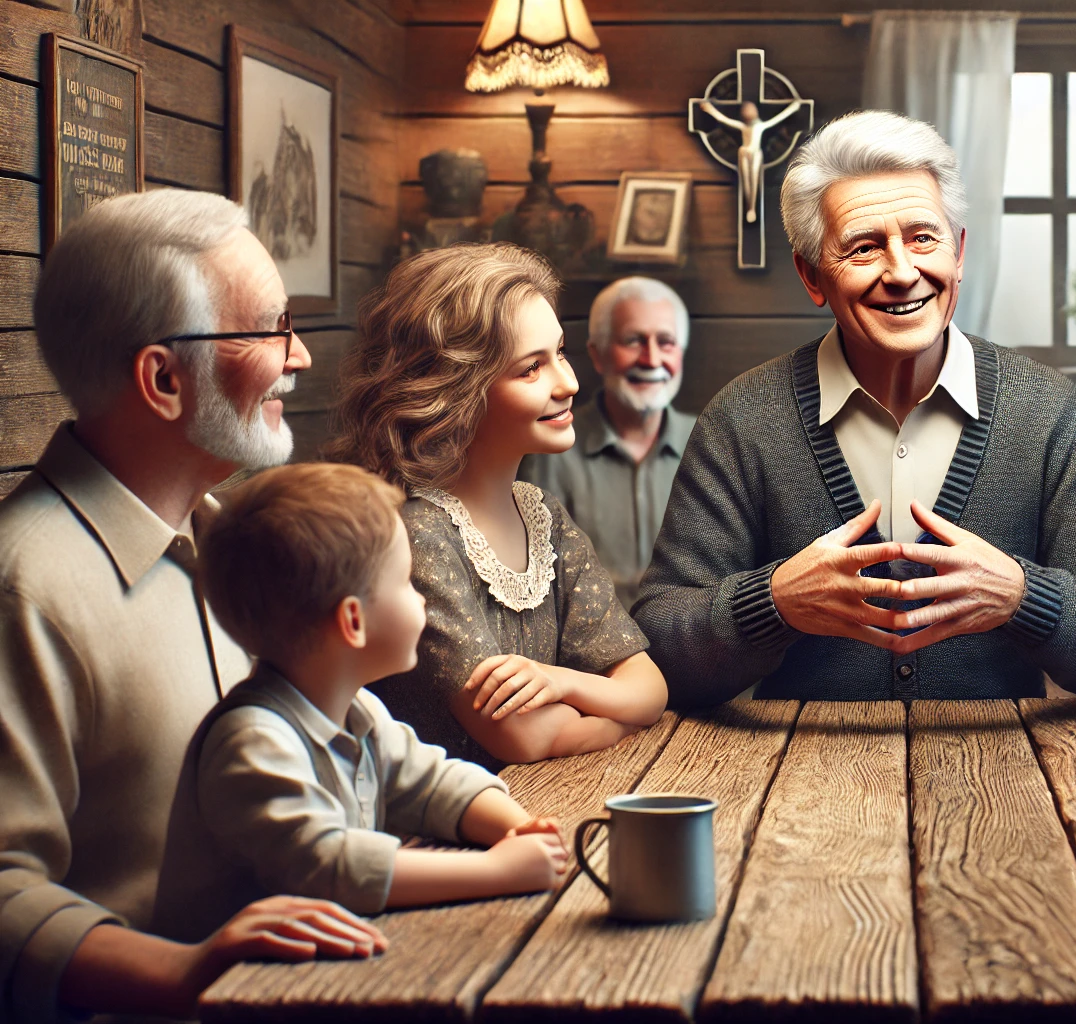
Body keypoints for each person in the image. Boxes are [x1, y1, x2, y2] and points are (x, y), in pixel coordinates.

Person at [635, 110, 1076, 703]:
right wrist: (774, 603)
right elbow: (658, 647)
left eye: (923, 237)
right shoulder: (742, 422)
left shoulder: (1048, 414)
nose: (902, 271)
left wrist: (1024, 597)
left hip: (1007, 779)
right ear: (813, 277)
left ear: (959, 252)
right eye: (864, 247)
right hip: (795, 779)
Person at [1, 190, 383, 1023]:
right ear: (164, 379)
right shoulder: (23, 588)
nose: (300, 359)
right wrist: (183, 974)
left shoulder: (237, 544)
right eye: (269, 329)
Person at [155, 463, 569, 943]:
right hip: (230, 997)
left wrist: (517, 827)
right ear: (353, 621)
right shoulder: (254, 742)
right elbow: (329, 867)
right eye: (407, 583)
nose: (421, 601)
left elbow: (431, 782)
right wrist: (497, 872)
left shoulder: (355, 710)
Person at [326, 244, 668, 769]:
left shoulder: (542, 516)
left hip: (547, 808)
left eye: (561, 352)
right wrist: (613, 713)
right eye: (531, 369)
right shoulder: (417, 534)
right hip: (441, 837)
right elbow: (523, 739)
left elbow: (648, 688)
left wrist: (558, 681)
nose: (569, 383)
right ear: (458, 392)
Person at [520, 277, 694, 609]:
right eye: (633, 341)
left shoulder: (712, 444)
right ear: (597, 356)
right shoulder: (550, 452)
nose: (651, 359)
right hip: (585, 656)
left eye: (667, 342)